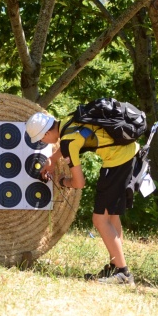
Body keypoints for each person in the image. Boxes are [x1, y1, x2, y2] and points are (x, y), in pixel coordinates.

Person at [25, 109, 138, 285]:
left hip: (118, 161)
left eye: (41, 139)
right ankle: (116, 266)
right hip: (128, 154)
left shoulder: (68, 140)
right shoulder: (68, 121)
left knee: (100, 219)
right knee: (111, 215)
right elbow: (75, 140)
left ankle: (123, 273)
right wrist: (53, 160)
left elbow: (79, 183)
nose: (42, 142)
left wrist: (63, 181)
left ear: (46, 132)